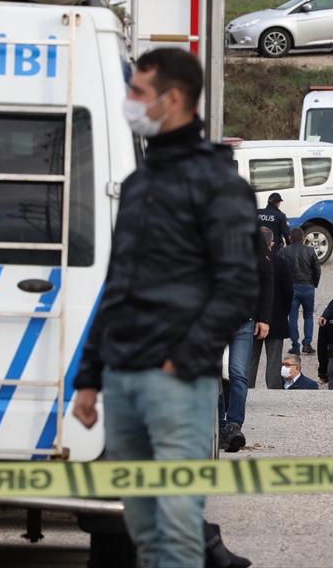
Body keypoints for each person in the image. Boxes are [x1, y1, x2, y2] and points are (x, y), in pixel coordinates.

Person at [71, 48, 259, 568]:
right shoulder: (138, 183)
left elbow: (238, 286)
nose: (129, 102)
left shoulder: (220, 184)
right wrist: (89, 378)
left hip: (175, 384)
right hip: (122, 382)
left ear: (172, 100)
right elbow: (117, 287)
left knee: (176, 536)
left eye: (137, 93)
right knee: (144, 535)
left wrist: (182, 362)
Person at [219, 230, 272, 453]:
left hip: (243, 319)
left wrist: (264, 318)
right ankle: (217, 424)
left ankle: (233, 425)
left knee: (239, 373)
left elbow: (266, 277)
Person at [249, 228, 293, 390]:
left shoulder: (249, 261)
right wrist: (283, 312)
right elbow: (288, 292)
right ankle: (274, 391)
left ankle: (246, 391)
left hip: (252, 317)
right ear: (272, 243)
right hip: (277, 317)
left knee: (250, 361)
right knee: (274, 362)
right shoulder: (281, 262)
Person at [283, 227, 321, 356]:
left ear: (290, 238)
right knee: (308, 315)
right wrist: (314, 283)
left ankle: (295, 345)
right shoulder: (310, 251)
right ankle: (307, 343)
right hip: (307, 285)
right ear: (303, 238)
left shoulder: (284, 251)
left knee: (292, 316)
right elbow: (317, 269)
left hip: (291, 286)